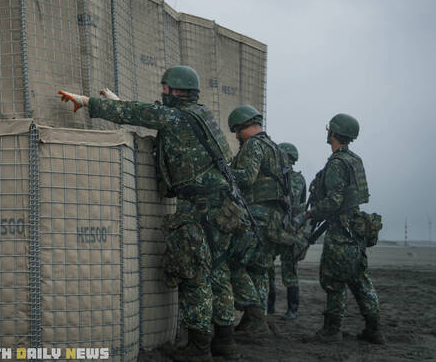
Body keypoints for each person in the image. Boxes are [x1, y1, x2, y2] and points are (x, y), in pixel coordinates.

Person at [59, 65, 244, 361]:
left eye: (165, 88)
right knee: (218, 272)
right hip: (223, 208)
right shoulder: (202, 115)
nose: (162, 92)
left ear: (174, 90)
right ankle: (225, 342)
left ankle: (199, 349)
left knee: (193, 274)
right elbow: (149, 114)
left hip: (198, 210)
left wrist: (87, 102)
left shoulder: (174, 117)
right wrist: (119, 102)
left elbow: (140, 114)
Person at [307, 113, 385, 344]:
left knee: (334, 280)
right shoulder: (354, 160)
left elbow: (333, 201)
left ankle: (332, 331)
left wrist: (311, 213)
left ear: (333, 133)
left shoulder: (337, 163)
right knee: (360, 279)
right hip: (356, 228)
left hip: (341, 231)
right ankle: (375, 330)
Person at [226, 105, 299, 338]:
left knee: (234, 265)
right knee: (258, 270)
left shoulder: (254, 145)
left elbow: (246, 178)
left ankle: (257, 318)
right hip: (274, 221)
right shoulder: (275, 148)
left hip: (256, 218)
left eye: (237, 131)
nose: (237, 137)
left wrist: (224, 171)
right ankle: (252, 323)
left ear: (242, 126)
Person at [272, 142, 307, 319]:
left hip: (284, 230)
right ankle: (286, 310)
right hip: (281, 229)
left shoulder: (291, 179)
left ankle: (290, 310)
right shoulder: (294, 179)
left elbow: (296, 203)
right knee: (277, 270)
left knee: (287, 270)